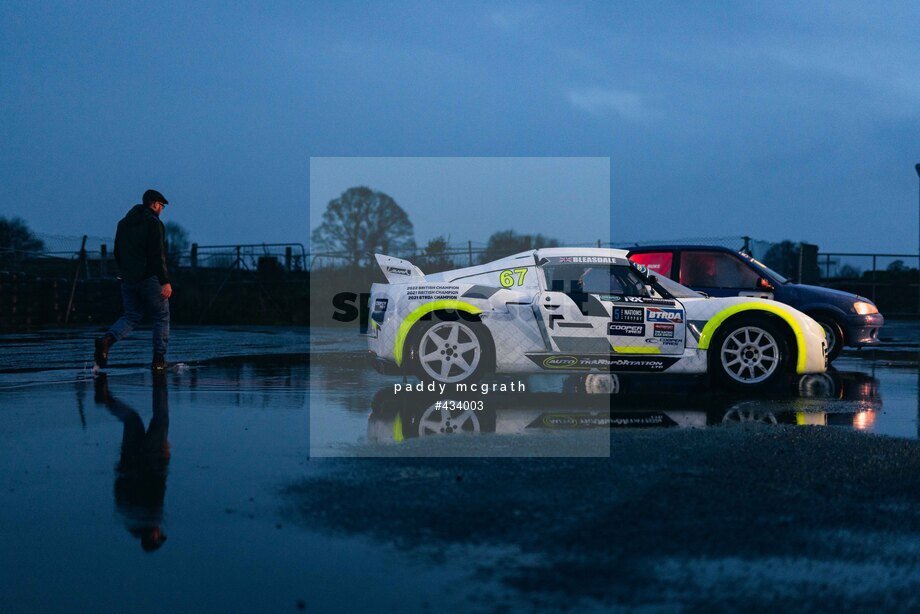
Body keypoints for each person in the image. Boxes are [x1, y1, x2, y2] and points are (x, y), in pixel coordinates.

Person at [94, 189, 173, 371]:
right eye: (161, 206)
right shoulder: (154, 223)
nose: (161, 209)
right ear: (154, 204)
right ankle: (159, 360)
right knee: (161, 316)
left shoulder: (123, 223)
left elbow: (117, 251)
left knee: (131, 315)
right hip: (149, 278)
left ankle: (106, 341)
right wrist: (165, 280)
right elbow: (157, 254)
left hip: (128, 279)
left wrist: (123, 272)